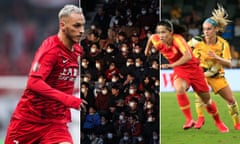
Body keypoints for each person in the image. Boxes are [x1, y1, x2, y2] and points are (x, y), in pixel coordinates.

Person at [5, 4, 87, 144]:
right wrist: (67, 99)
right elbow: (33, 82)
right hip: (28, 122)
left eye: (82, 26)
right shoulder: (51, 49)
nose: (81, 31)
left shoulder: (77, 51)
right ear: (63, 26)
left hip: (56, 124)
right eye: (76, 26)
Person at [145, 19, 229, 132]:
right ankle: (189, 120)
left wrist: (171, 65)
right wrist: (147, 51)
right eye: (159, 32)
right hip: (180, 70)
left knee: (207, 101)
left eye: (163, 32)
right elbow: (151, 38)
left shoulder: (178, 40)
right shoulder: (157, 39)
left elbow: (188, 56)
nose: (160, 35)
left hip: (194, 70)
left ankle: (219, 122)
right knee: (179, 88)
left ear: (171, 32)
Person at [188, 5, 240, 130]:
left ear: (216, 29)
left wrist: (216, 58)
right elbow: (185, 50)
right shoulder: (196, 41)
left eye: (209, 29)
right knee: (199, 93)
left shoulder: (223, 44)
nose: (205, 31)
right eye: (204, 29)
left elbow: (229, 63)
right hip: (201, 74)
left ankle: (237, 124)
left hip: (217, 76)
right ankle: (200, 118)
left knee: (231, 101)